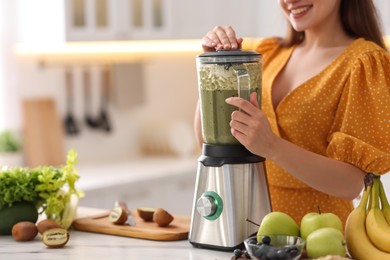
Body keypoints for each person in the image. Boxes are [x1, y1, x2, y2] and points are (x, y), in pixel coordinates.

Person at [194, 0, 390, 226]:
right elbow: (206, 142)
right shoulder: (267, 54)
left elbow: (352, 184)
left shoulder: (364, 63)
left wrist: (271, 146)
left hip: (319, 235)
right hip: (248, 230)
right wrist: (214, 65)